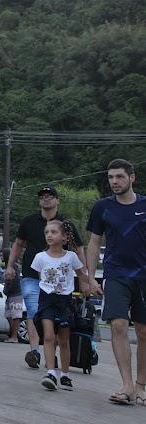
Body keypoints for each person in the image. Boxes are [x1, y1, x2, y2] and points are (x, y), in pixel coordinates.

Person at [85, 159, 146, 406]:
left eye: (119, 177)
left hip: (144, 277)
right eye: (111, 177)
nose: (114, 182)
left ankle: (141, 385)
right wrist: (90, 277)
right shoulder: (102, 207)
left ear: (132, 178)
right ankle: (126, 385)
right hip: (116, 274)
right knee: (118, 325)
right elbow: (93, 242)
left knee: (143, 331)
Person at [6, 185, 86, 369]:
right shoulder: (29, 221)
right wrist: (10, 265)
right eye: (42, 196)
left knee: (56, 319)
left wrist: (84, 277)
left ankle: (51, 352)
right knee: (35, 311)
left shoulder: (66, 225)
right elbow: (18, 244)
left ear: (57, 200)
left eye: (50, 196)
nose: (46, 198)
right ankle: (35, 351)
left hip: (58, 282)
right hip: (31, 275)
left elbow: (78, 249)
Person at [32, 219, 90, 391]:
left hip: (65, 301)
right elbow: (39, 277)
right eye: (47, 232)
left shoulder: (71, 257)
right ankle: (51, 372)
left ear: (64, 236)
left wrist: (92, 284)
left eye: (54, 232)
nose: (49, 235)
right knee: (49, 336)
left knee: (64, 340)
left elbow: (81, 274)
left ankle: (65, 374)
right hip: (47, 300)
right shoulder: (40, 257)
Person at [2, 248, 25, 343]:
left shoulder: (13, 267)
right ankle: (12, 334)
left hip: (15, 295)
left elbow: (13, 282)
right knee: (8, 315)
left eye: (2, 255)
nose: (1, 257)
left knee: (15, 316)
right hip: (10, 295)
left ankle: (14, 337)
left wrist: (6, 290)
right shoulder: (8, 266)